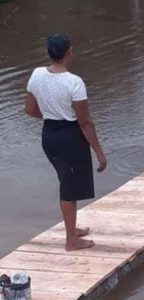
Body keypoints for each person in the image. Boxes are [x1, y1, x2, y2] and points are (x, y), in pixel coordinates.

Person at [25, 34, 107, 251]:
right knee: (68, 190)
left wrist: (53, 115)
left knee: (67, 181)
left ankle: (72, 229)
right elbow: (84, 122)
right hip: (70, 136)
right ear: (69, 52)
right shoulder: (74, 82)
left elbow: (30, 110)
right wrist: (99, 152)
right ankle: (71, 240)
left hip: (49, 134)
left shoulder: (37, 75)